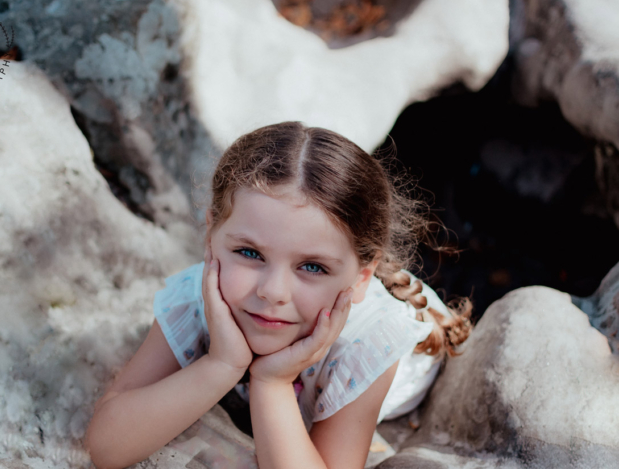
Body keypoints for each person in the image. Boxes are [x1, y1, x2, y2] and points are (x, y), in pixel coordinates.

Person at [84, 121, 472, 469]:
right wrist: (221, 364)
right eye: (250, 253)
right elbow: (107, 447)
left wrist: (271, 383)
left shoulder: (365, 342)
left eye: (312, 267)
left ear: (360, 278)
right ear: (210, 236)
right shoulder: (200, 297)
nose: (272, 292)